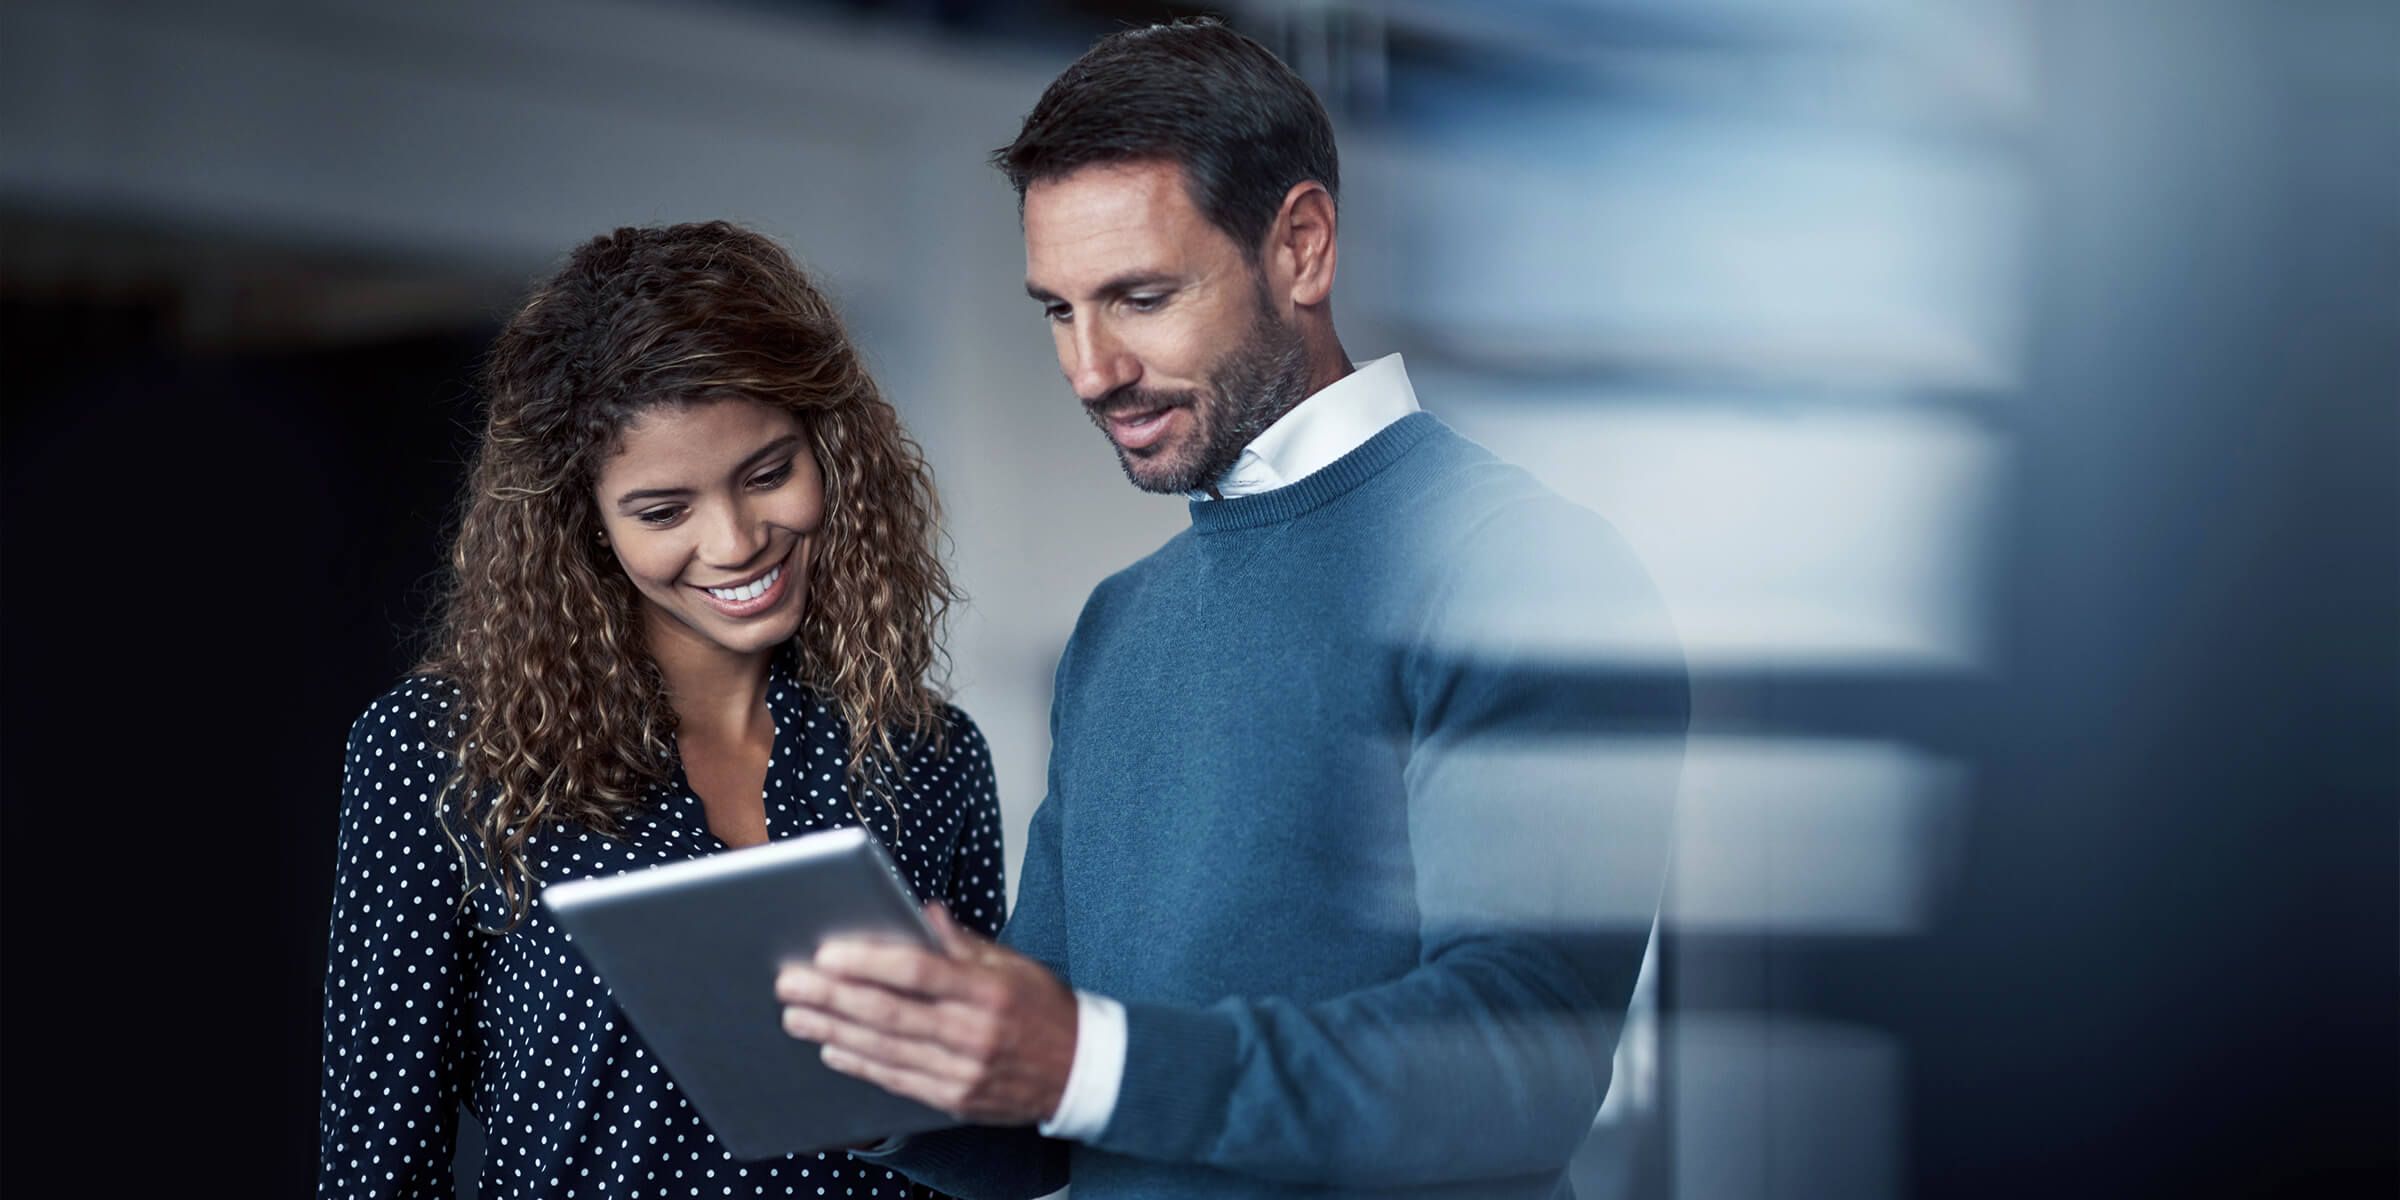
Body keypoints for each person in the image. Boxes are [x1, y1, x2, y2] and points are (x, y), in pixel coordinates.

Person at [775, 19, 1687, 1200]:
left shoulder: (1521, 568)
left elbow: (1518, 1069)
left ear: (1301, 248)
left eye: (1140, 297)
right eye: (1058, 310)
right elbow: (1049, 1117)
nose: (1091, 369)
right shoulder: (1119, 628)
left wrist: (1084, 1058)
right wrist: (876, 1071)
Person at [318, 221, 1003, 1199]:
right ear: (583, 524)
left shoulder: (928, 754)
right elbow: (376, 1163)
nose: (734, 544)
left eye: (769, 474)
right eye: (663, 511)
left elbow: (985, 1144)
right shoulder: (437, 752)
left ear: (834, 450)